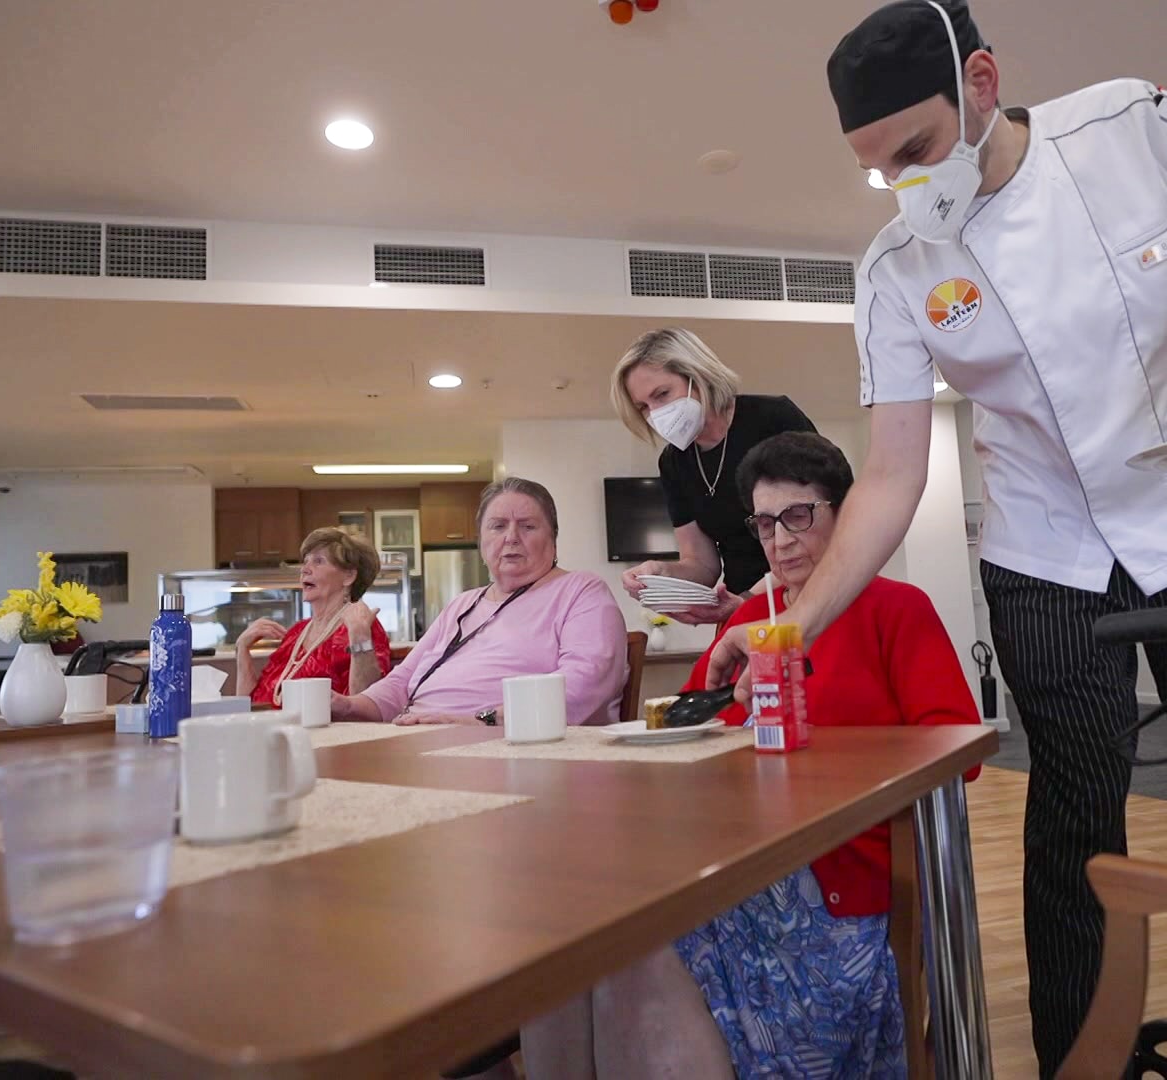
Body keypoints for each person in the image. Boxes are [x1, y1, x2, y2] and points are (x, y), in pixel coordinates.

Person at [705, 3, 1167, 1074]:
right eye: (877, 167)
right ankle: (1085, 1064)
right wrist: (788, 624)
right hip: (1046, 550)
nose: (905, 183)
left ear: (981, 81)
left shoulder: (1126, 123)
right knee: (1073, 813)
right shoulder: (895, 267)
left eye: (917, 150)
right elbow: (892, 476)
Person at [522, 432, 979, 1080]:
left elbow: (958, 749)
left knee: (627, 951)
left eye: (800, 515)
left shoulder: (895, 609)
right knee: (566, 945)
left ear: (845, 516)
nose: (781, 539)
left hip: (835, 881)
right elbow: (673, 745)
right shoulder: (747, 625)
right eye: (766, 523)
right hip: (729, 863)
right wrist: (704, 708)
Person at [331, 477, 627, 727]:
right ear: (481, 543)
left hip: (507, 744)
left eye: (528, 526)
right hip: (420, 737)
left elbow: (583, 687)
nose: (511, 537)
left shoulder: (580, 590)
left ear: (553, 538)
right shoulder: (462, 604)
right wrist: (347, 705)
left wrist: (480, 721)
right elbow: (401, 682)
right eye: (498, 526)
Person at [611, 328, 817, 626]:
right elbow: (702, 565)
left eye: (662, 394)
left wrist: (748, 599)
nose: (657, 413)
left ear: (699, 375)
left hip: (806, 595)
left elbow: (822, 529)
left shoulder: (773, 419)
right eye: (644, 407)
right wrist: (660, 572)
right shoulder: (674, 463)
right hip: (740, 610)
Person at [234, 527, 391, 705]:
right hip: (276, 729)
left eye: (318, 561)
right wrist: (242, 649)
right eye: (305, 561)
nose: (305, 570)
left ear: (348, 576)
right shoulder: (297, 633)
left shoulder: (362, 626)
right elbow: (250, 706)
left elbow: (365, 704)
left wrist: (360, 635)